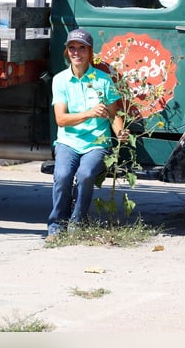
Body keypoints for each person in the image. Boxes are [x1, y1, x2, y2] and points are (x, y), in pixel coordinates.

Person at [47, 28, 127, 242]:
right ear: (66, 52)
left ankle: (76, 224)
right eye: (72, 48)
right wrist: (90, 113)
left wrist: (120, 132)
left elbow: (113, 114)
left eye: (82, 48)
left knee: (85, 175)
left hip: (97, 143)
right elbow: (61, 119)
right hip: (68, 142)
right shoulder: (60, 80)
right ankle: (56, 227)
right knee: (62, 175)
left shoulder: (103, 80)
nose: (76, 52)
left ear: (90, 53)